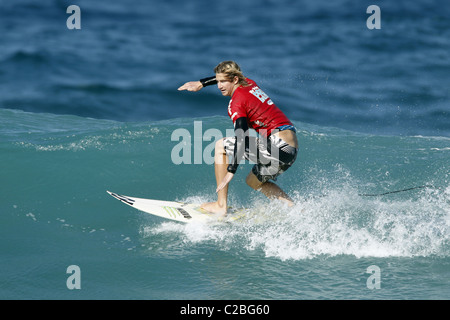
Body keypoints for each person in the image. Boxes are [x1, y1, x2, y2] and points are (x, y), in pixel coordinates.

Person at [178, 61, 298, 216]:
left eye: (223, 82)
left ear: (234, 80)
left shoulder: (236, 103)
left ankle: (221, 205)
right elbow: (227, 78)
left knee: (221, 145)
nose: (219, 86)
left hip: (277, 146)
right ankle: (292, 208)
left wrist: (231, 170)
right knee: (253, 181)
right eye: (218, 81)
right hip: (290, 150)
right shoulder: (248, 83)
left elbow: (242, 135)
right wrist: (202, 83)